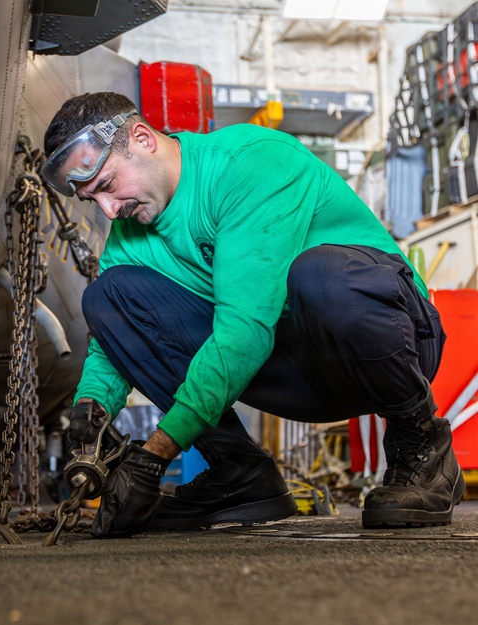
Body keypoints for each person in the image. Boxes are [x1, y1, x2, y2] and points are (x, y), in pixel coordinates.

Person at [43, 92, 458, 538]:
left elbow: (244, 331)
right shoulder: (131, 231)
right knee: (109, 294)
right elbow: (112, 339)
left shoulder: (250, 163)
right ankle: (239, 475)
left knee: (318, 276)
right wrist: (91, 411)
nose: (109, 210)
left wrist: (155, 455)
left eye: (106, 185)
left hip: (391, 341)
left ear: (142, 138)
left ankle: (421, 443)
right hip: (291, 369)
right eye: (92, 201)